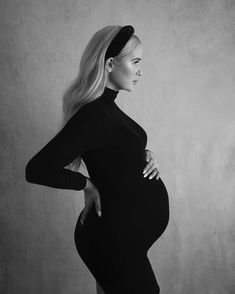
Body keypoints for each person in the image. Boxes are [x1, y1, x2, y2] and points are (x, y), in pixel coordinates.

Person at [25, 25, 169, 294]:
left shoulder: (107, 109)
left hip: (122, 243)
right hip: (113, 242)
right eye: (135, 62)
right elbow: (38, 169)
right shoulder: (94, 115)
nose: (140, 70)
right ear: (111, 63)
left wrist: (144, 155)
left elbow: (112, 152)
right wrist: (86, 185)